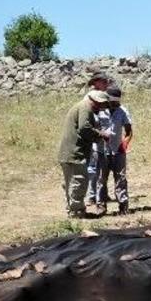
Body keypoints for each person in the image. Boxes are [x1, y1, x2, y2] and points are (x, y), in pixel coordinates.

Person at [57, 90, 110, 218]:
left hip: (68, 152)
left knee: (71, 183)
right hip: (75, 153)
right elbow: (84, 128)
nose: (100, 109)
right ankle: (77, 212)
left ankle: (73, 210)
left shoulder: (81, 107)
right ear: (96, 102)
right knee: (79, 182)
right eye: (100, 105)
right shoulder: (85, 108)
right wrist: (101, 134)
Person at [95, 86, 133, 215]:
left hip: (118, 151)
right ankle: (101, 206)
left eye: (116, 102)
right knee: (101, 179)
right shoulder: (99, 110)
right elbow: (92, 128)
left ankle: (123, 206)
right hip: (101, 150)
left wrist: (125, 144)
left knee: (120, 178)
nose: (114, 104)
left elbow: (128, 132)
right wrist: (101, 135)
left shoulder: (123, 111)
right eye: (112, 101)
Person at [84, 72, 114, 209]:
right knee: (93, 169)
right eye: (104, 81)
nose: (106, 84)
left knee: (103, 168)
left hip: (103, 138)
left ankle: (101, 195)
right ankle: (91, 196)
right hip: (96, 138)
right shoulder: (90, 98)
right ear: (96, 82)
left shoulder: (104, 97)